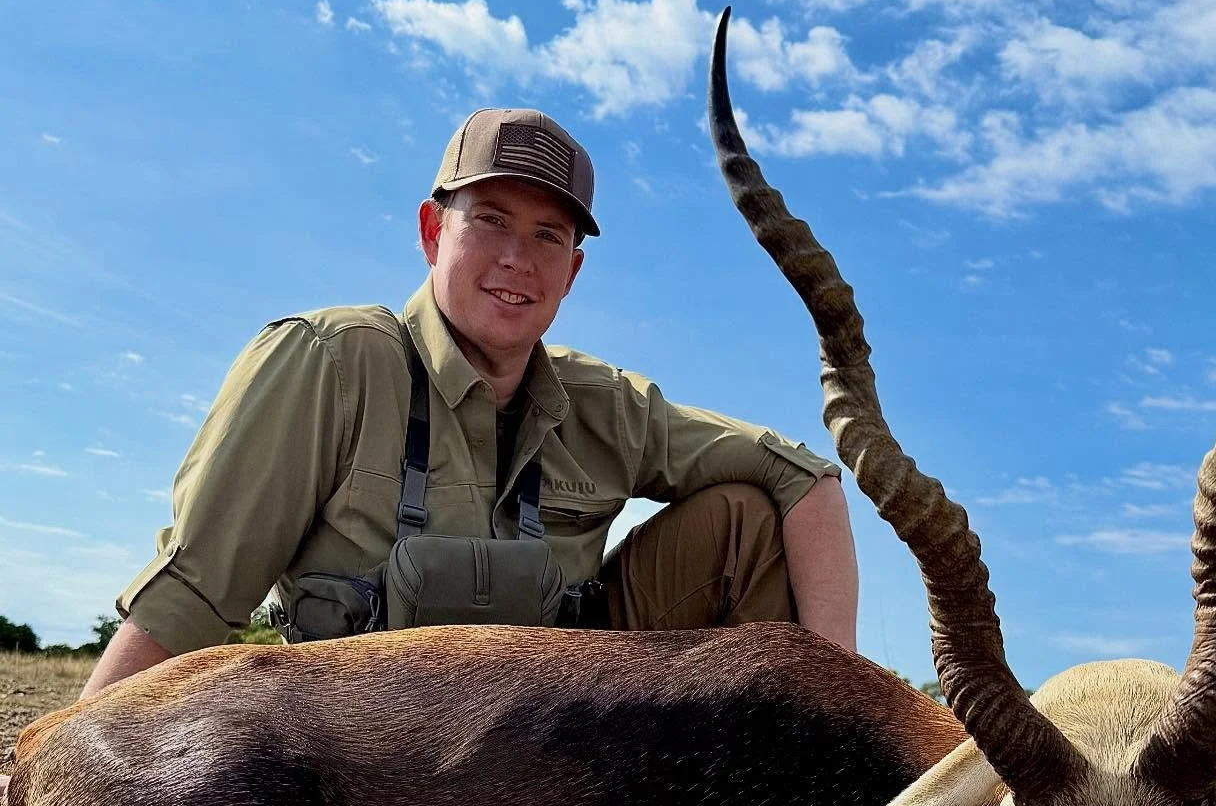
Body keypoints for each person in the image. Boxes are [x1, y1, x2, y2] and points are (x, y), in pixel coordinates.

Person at [84, 108, 857, 697]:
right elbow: (192, 593)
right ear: (432, 232)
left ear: (572, 272)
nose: (518, 259)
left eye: (548, 235)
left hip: (562, 734)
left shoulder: (604, 403)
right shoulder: (330, 359)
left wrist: (843, 703)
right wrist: (67, 776)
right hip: (359, 744)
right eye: (490, 220)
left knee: (746, 516)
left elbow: (806, 477)